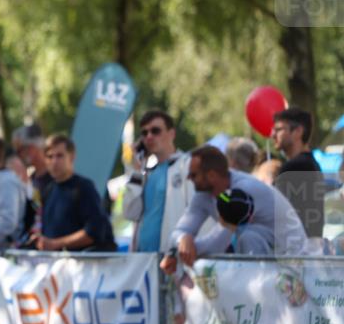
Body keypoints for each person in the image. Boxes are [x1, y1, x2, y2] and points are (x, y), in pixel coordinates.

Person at [160, 146, 308, 275]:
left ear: (211, 175)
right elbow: (177, 232)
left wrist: (184, 250)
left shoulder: (243, 191)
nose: (188, 178)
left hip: (293, 263)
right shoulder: (203, 195)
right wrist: (183, 239)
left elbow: (216, 245)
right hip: (269, 260)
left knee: (248, 237)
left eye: (194, 175)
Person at [122, 110, 197, 252]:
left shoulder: (187, 165)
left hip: (174, 259)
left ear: (171, 134)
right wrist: (136, 171)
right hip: (144, 260)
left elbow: (198, 213)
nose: (149, 137)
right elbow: (130, 213)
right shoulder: (146, 173)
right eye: (144, 133)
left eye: (155, 131)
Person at [33, 134, 116, 251]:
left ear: (72, 157)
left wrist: (55, 244)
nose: (54, 161)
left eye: (59, 156)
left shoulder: (84, 187)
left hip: (87, 265)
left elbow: (95, 231)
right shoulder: (48, 191)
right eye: (50, 156)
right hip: (57, 265)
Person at [272, 107, 325, 253]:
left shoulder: (296, 166)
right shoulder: (311, 163)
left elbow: (270, 206)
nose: (272, 134)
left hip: (295, 254)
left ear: (298, 131)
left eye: (278, 129)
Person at [13, 124, 54, 206]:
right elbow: (36, 208)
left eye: (20, 150)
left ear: (32, 147)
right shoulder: (32, 179)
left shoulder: (56, 176)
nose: (19, 155)